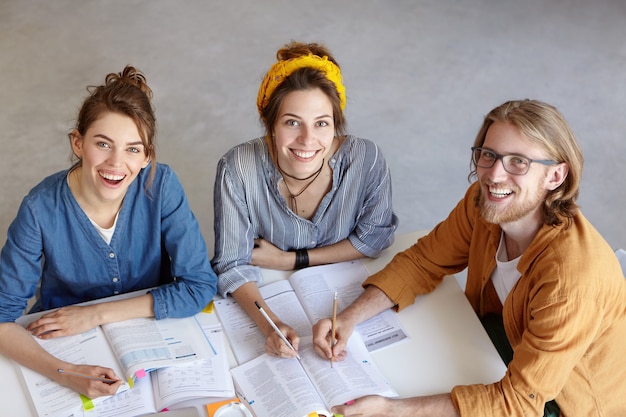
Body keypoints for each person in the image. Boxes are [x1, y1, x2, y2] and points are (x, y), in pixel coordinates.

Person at [313, 99, 626, 417]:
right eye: (488, 155)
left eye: (518, 161)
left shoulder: (571, 279)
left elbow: (519, 403)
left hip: (565, 402)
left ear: (556, 176)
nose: (494, 175)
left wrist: (391, 409)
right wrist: (350, 317)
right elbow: (424, 261)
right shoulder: (483, 204)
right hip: (506, 340)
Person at [0, 66, 217, 399]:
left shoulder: (162, 185)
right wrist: (65, 372)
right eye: (103, 144)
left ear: (147, 156)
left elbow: (199, 285)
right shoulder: (39, 208)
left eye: (132, 149)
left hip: (147, 336)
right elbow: (2, 317)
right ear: (78, 142)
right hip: (65, 342)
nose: (116, 164)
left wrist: (96, 314)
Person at [212, 41, 398, 359]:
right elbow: (232, 264)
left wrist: (292, 260)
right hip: (272, 290)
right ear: (270, 124)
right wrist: (270, 325)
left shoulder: (366, 159)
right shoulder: (237, 167)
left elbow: (375, 239)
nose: (308, 140)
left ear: (336, 124)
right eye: (292, 122)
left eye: (321, 123)